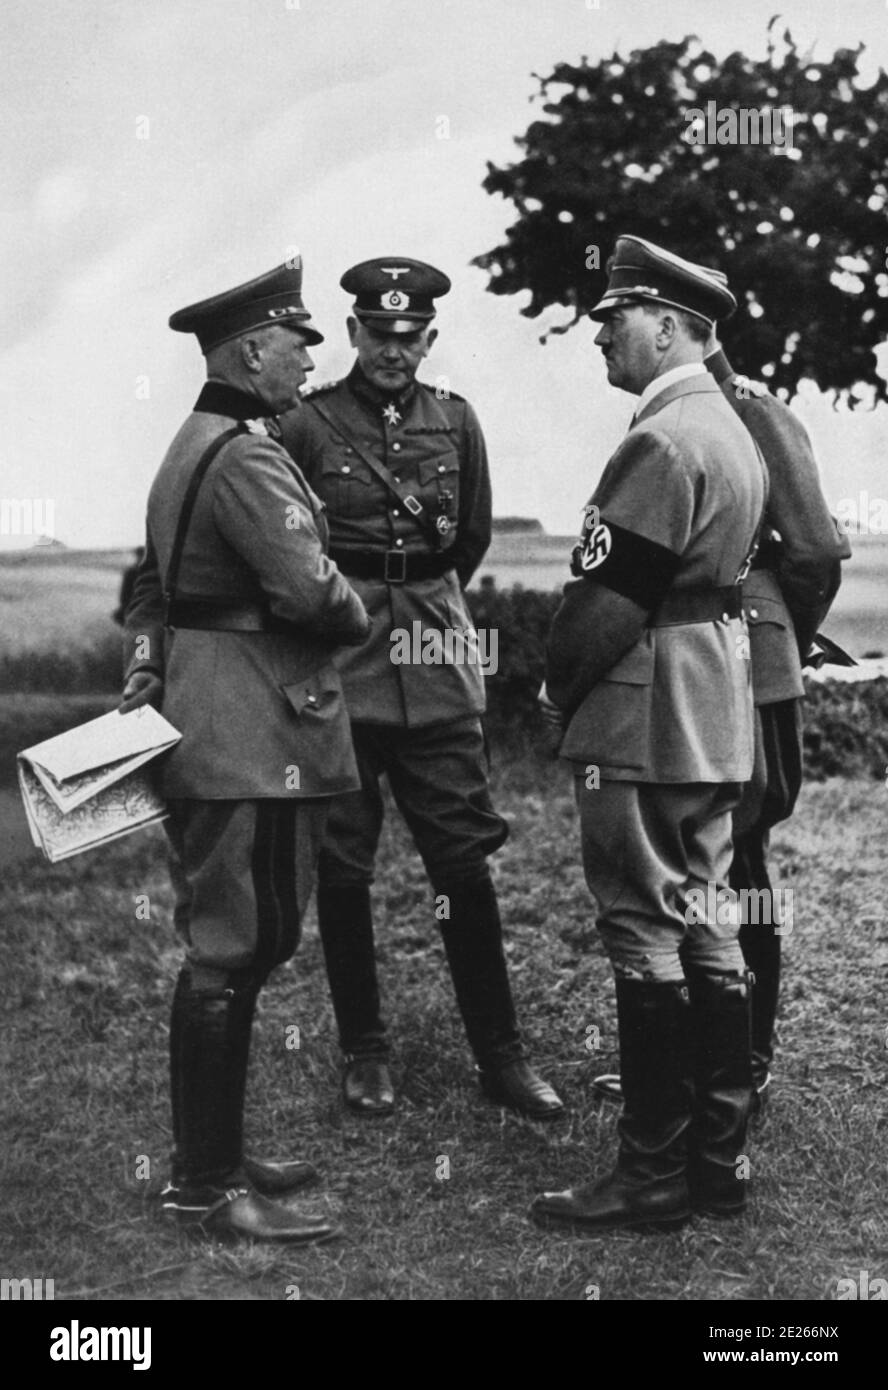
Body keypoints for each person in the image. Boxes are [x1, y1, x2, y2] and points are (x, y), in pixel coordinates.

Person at [278, 257, 564, 1121]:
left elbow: (467, 536)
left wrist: (424, 605)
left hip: (437, 666)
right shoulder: (306, 422)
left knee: (463, 861)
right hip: (343, 661)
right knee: (344, 864)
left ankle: (501, 1056)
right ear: (354, 333)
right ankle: (365, 1053)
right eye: (379, 334)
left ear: (429, 338)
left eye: (410, 337)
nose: (394, 350)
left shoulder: (459, 422)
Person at [120, 257, 371, 1242]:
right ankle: (207, 1185)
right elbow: (312, 592)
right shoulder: (249, 456)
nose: (311, 357)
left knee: (238, 939)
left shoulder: (191, 444)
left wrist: (146, 672)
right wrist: (354, 607)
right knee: (236, 943)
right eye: (299, 341)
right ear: (252, 349)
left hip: (211, 721)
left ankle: (214, 1157)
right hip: (254, 735)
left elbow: (149, 592)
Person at [531, 236, 766, 1232]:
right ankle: (718, 1162)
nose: (599, 333)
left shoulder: (660, 441)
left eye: (615, 317)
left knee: (641, 920)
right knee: (707, 915)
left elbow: (609, 601)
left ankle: (651, 1174)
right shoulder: (733, 429)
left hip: (644, 707)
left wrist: (555, 688)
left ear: (668, 325)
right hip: (713, 702)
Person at [591, 326, 851, 1114]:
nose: (607, 334)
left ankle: (743, 1062)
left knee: (739, 863)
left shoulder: (748, 409)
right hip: (707, 653)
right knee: (700, 862)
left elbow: (814, 552)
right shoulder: (680, 412)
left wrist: (780, 643)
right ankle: (701, 1063)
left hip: (747, 658)